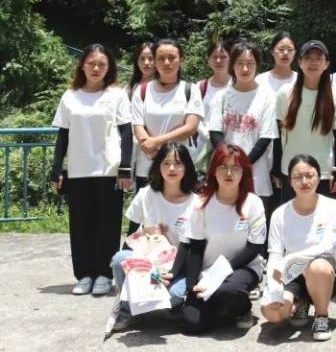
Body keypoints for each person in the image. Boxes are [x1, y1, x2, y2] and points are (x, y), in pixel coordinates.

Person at [50, 44, 133, 296]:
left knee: (107, 225)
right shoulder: (70, 96)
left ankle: (104, 275)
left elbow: (127, 133)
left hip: (109, 169)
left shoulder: (117, 95)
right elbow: (62, 136)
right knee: (81, 225)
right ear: (82, 65)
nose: (96, 68)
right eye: (91, 63)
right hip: (78, 170)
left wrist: (125, 167)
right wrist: (56, 169)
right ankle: (84, 275)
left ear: (109, 68)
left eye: (102, 64)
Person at [109, 142, 199, 331]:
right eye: (166, 163)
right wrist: (133, 272)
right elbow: (132, 237)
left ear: (187, 167)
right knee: (119, 259)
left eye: (178, 163)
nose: (172, 168)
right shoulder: (146, 195)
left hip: (178, 269)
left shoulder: (196, 203)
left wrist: (170, 273)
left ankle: (173, 306)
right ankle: (128, 311)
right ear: (158, 166)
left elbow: (194, 250)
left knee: (174, 295)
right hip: (148, 264)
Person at [181, 144, 267, 333]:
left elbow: (254, 248)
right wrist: (191, 287)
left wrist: (219, 274)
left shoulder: (253, 203)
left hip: (243, 267)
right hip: (207, 272)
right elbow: (195, 248)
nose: (229, 173)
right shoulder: (201, 204)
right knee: (192, 323)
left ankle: (242, 308)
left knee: (229, 291)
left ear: (244, 172)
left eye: (235, 168)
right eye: (223, 167)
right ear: (213, 171)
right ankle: (219, 305)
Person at [261, 155, 336, 341]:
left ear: (319, 177)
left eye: (309, 175)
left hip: (324, 273)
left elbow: (326, 245)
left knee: (318, 267)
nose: (304, 181)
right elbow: (274, 254)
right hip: (292, 274)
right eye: (297, 177)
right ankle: (300, 302)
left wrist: (292, 258)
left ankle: (321, 316)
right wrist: (273, 287)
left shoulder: (333, 207)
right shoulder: (279, 214)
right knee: (272, 313)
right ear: (290, 181)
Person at [207, 40, 278, 201]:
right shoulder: (221, 97)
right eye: (239, 63)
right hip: (226, 175)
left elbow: (266, 137)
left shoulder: (267, 97)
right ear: (232, 65)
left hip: (256, 177)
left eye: (250, 63)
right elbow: (215, 133)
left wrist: (243, 164)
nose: (245, 69)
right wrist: (230, 162)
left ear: (257, 65)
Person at [274, 40, 336, 204]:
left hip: (324, 172)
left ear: (326, 64)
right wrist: (276, 168)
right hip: (291, 170)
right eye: (308, 58)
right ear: (299, 62)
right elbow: (276, 133)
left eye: (319, 58)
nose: (313, 63)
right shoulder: (286, 92)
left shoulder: (335, 95)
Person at [130, 39, 203, 189]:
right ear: (155, 62)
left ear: (181, 60)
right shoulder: (142, 91)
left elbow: (190, 127)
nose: (167, 63)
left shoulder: (190, 90)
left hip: (180, 167)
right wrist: (156, 156)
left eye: (172, 57)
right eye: (161, 58)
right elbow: (138, 127)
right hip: (147, 167)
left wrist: (156, 142)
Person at [192, 40, 232, 167]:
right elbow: (194, 116)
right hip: (204, 147)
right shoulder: (200, 87)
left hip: (232, 145)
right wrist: (208, 135)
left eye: (223, 57)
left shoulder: (238, 86)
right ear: (208, 60)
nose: (218, 61)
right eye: (214, 57)